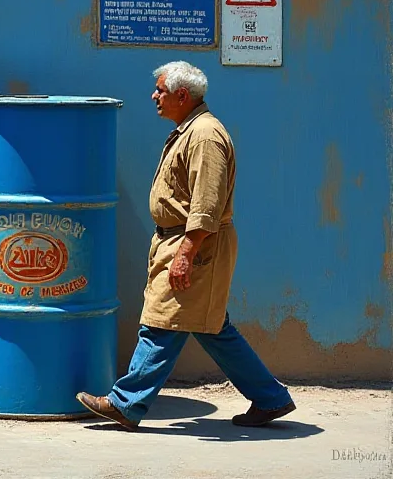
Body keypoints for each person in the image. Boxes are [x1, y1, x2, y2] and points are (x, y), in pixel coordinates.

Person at [76, 61, 295, 431]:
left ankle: (126, 403)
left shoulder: (205, 136)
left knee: (161, 322)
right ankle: (270, 398)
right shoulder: (190, 131)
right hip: (181, 240)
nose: (154, 96)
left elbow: (207, 204)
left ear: (181, 95)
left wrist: (185, 254)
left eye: (160, 91)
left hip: (195, 243)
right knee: (212, 327)